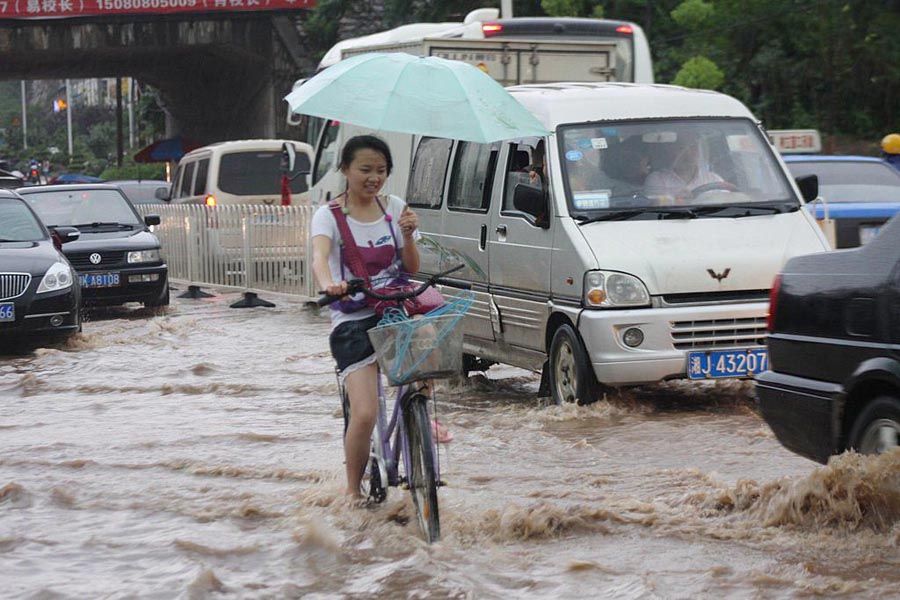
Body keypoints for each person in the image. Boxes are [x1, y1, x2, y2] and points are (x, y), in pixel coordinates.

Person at [310, 135, 421, 501]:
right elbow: (320, 257)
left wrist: (408, 237)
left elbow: (412, 267)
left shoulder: (395, 209)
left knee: (424, 381)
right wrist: (331, 284)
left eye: (381, 170)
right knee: (364, 413)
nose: (374, 177)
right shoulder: (328, 215)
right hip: (353, 320)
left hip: (395, 310)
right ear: (345, 170)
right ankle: (352, 491)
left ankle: (421, 436)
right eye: (366, 169)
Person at [644, 132, 724, 203]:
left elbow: (726, 205)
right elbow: (657, 210)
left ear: (699, 150)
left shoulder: (714, 179)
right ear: (671, 151)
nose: (688, 154)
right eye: (681, 148)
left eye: (693, 147)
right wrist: (677, 201)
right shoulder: (657, 179)